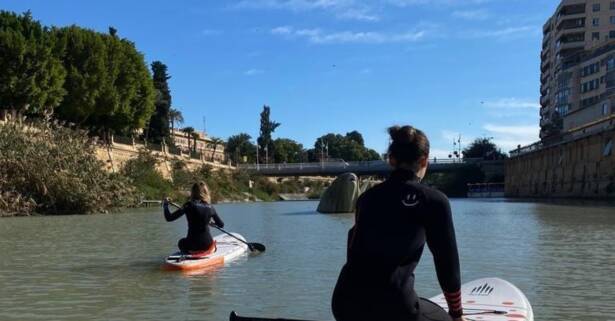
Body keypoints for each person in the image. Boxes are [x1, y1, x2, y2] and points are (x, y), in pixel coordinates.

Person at [331, 125, 465, 321]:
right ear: (424, 160)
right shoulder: (434, 201)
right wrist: (457, 314)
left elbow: (354, 250)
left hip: (345, 305)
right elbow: (447, 263)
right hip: (395, 310)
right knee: (441, 316)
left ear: (391, 159)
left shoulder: (366, 199)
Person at [163, 181, 224, 254]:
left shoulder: (188, 205)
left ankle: (189, 253)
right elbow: (221, 225)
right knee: (205, 240)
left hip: (192, 245)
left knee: (181, 242)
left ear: (192, 192)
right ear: (205, 192)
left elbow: (169, 218)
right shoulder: (210, 207)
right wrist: (213, 223)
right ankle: (207, 251)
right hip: (207, 244)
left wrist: (165, 206)